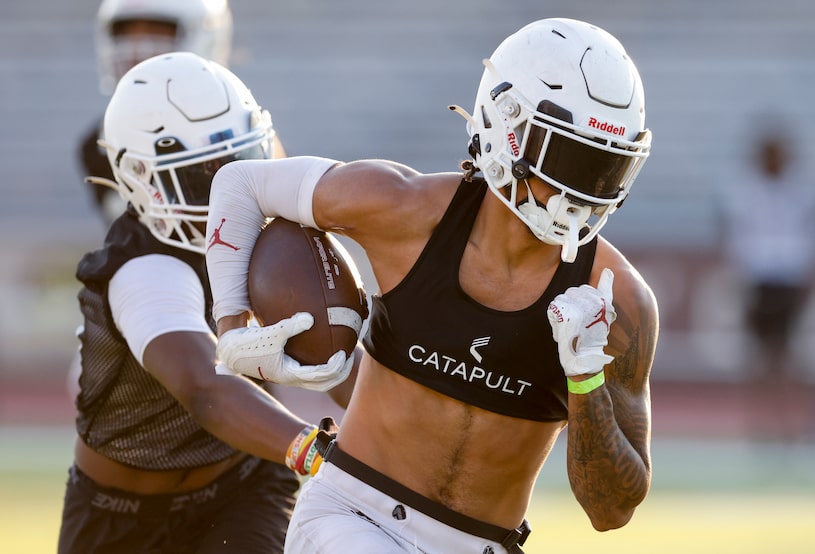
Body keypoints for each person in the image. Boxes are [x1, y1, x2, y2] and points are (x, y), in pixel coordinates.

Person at [205, 18, 658, 554]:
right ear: (503, 125)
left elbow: (611, 511)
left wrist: (585, 378)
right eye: (570, 161)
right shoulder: (406, 209)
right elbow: (242, 184)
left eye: (604, 170)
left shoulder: (619, 298)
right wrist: (231, 327)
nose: (579, 195)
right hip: (353, 516)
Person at [58, 52, 356, 554]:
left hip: (245, 490)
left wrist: (404, 433)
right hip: (120, 515)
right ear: (141, 178)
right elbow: (204, 386)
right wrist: (320, 450)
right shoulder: (143, 265)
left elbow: (342, 364)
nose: (232, 190)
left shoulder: (270, 242)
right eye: (205, 176)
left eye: (242, 163)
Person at [78, 0, 236, 225]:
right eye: (128, 34)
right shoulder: (100, 143)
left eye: (158, 32)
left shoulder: (240, 125)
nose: (137, 50)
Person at [720, 125, 815, 440]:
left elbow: (811, 239)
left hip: (789, 280)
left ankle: (803, 423)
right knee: (760, 360)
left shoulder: (801, 194)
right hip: (760, 281)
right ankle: (766, 426)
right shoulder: (745, 194)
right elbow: (738, 241)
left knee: (792, 358)